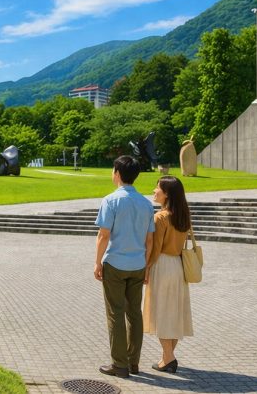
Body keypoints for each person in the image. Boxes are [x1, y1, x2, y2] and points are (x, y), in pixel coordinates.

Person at [94, 155, 155, 378]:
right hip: (138, 264)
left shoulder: (110, 200)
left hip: (116, 263)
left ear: (117, 174)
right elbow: (150, 240)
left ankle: (119, 364)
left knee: (115, 314)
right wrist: (147, 266)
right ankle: (133, 362)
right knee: (134, 314)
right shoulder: (146, 204)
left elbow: (103, 234)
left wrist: (97, 262)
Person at [143, 175, 194, 373]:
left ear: (167, 194)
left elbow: (155, 249)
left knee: (162, 312)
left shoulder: (161, 217)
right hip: (178, 265)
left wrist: (146, 268)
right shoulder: (183, 215)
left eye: (157, 188)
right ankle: (166, 357)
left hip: (162, 265)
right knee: (173, 312)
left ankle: (169, 358)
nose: (154, 191)